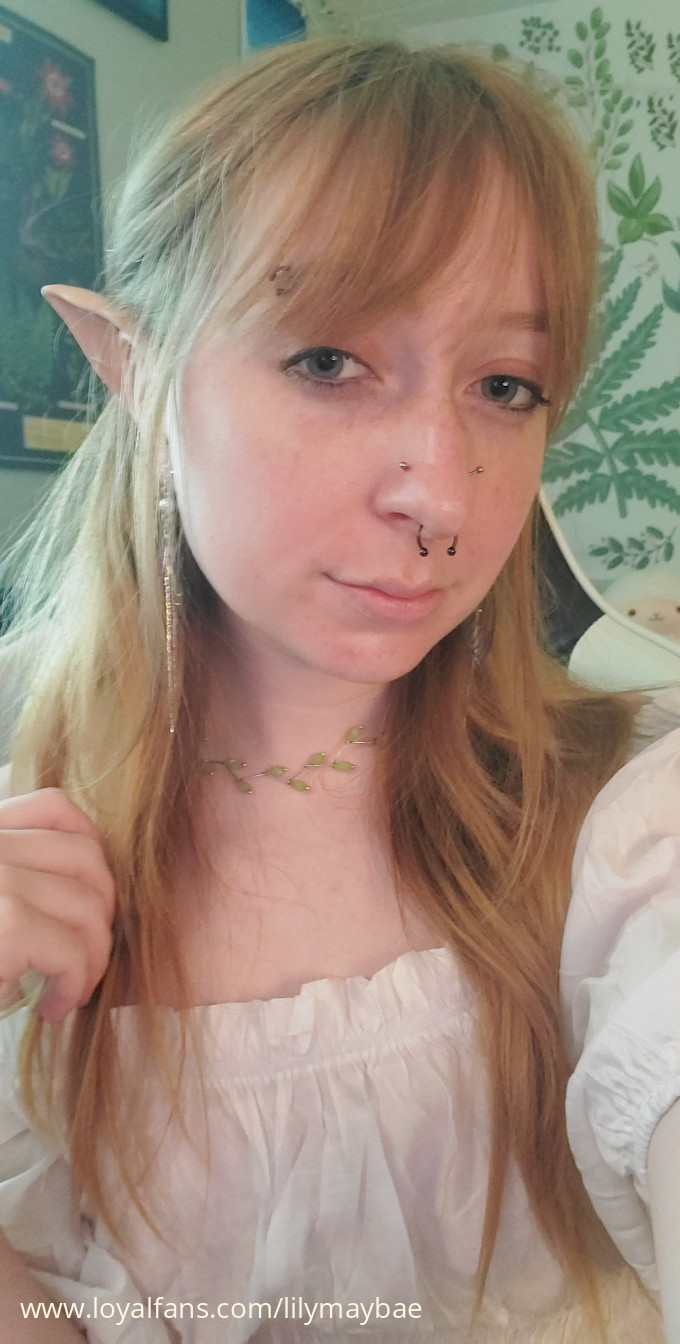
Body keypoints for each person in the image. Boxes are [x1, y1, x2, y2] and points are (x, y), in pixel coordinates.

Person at [0, 36, 667, 1344]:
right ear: (134, 368)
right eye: (328, 361)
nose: (441, 493)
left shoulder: (625, 812)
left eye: (506, 386)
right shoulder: (21, 772)